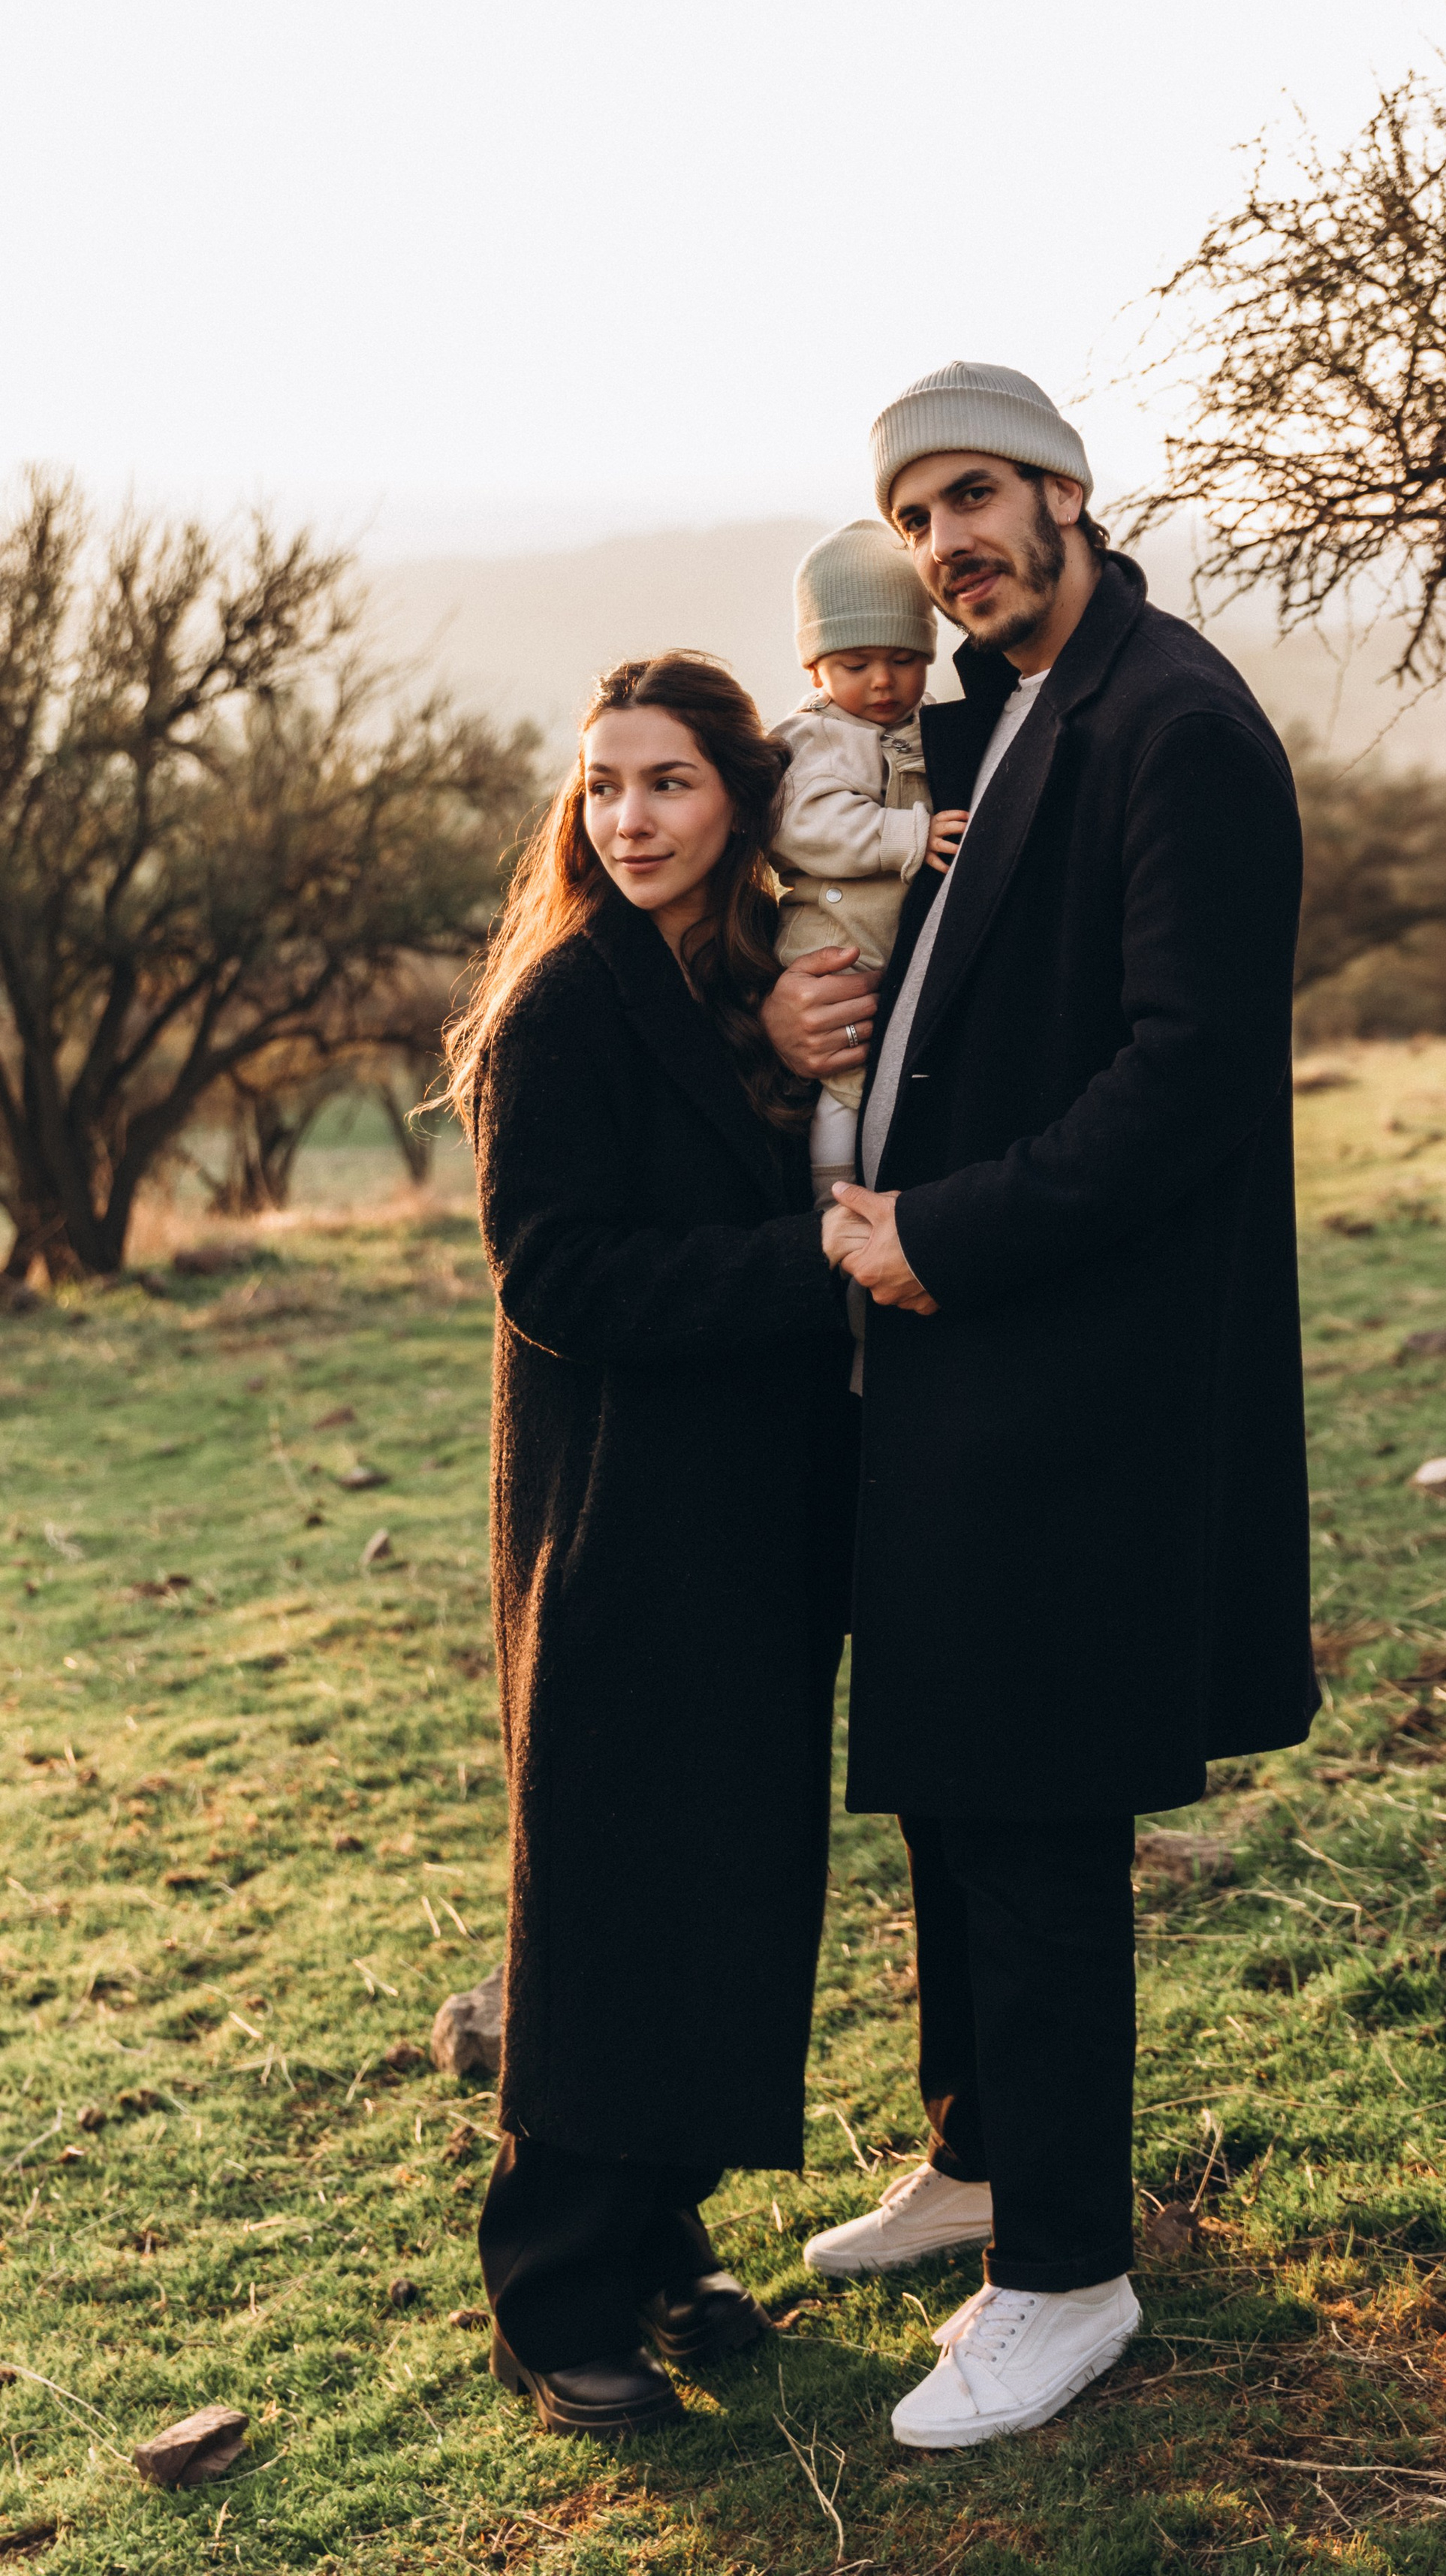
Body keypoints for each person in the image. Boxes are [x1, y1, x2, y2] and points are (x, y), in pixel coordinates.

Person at [763, 361, 1318, 2450]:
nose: (948, 547)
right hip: (951, 1359)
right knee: (949, 1787)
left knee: (1037, 1814)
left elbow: (1184, 1085)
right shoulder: (1004, 718)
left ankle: (1066, 2273)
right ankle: (980, 2157)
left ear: (1071, 491)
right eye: (916, 519)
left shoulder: (1175, 725)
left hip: (1073, 1365)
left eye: (977, 497)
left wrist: (945, 1239)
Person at [444, 653, 857, 2440]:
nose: (628, 817)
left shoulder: (725, 984)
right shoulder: (562, 1007)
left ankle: (664, 2228)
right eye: (604, 784)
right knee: (614, 1895)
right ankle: (553, 2287)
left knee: (725, 1878)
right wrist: (809, 1257)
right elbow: (558, 1274)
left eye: (668, 783)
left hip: (747, 1512)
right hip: (616, 1520)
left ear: (736, 801)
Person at [770, 517, 967, 1208]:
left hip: (898, 951)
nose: (883, 682)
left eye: (905, 658)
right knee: (840, 1094)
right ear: (815, 666)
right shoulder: (811, 739)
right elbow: (805, 827)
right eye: (856, 665)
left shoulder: (931, 723)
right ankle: (832, 1206)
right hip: (835, 945)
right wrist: (905, 834)